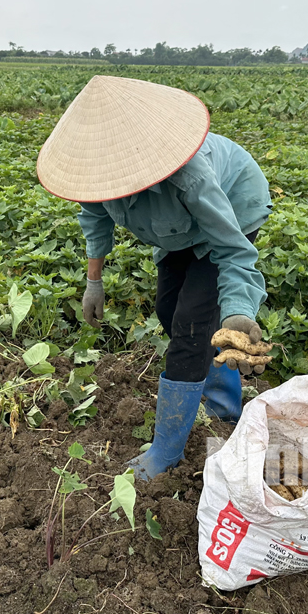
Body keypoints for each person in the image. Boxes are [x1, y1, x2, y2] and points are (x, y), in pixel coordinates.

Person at [37, 75, 272, 480]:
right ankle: (215, 389)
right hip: (178, 232)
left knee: (191, 327)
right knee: (168, 309)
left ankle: (170, 448)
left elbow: (233, 251)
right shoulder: (98, 174)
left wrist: (236, 313)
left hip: (232, 210)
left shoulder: (190, 177)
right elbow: (94, 216)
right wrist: (94, 281)